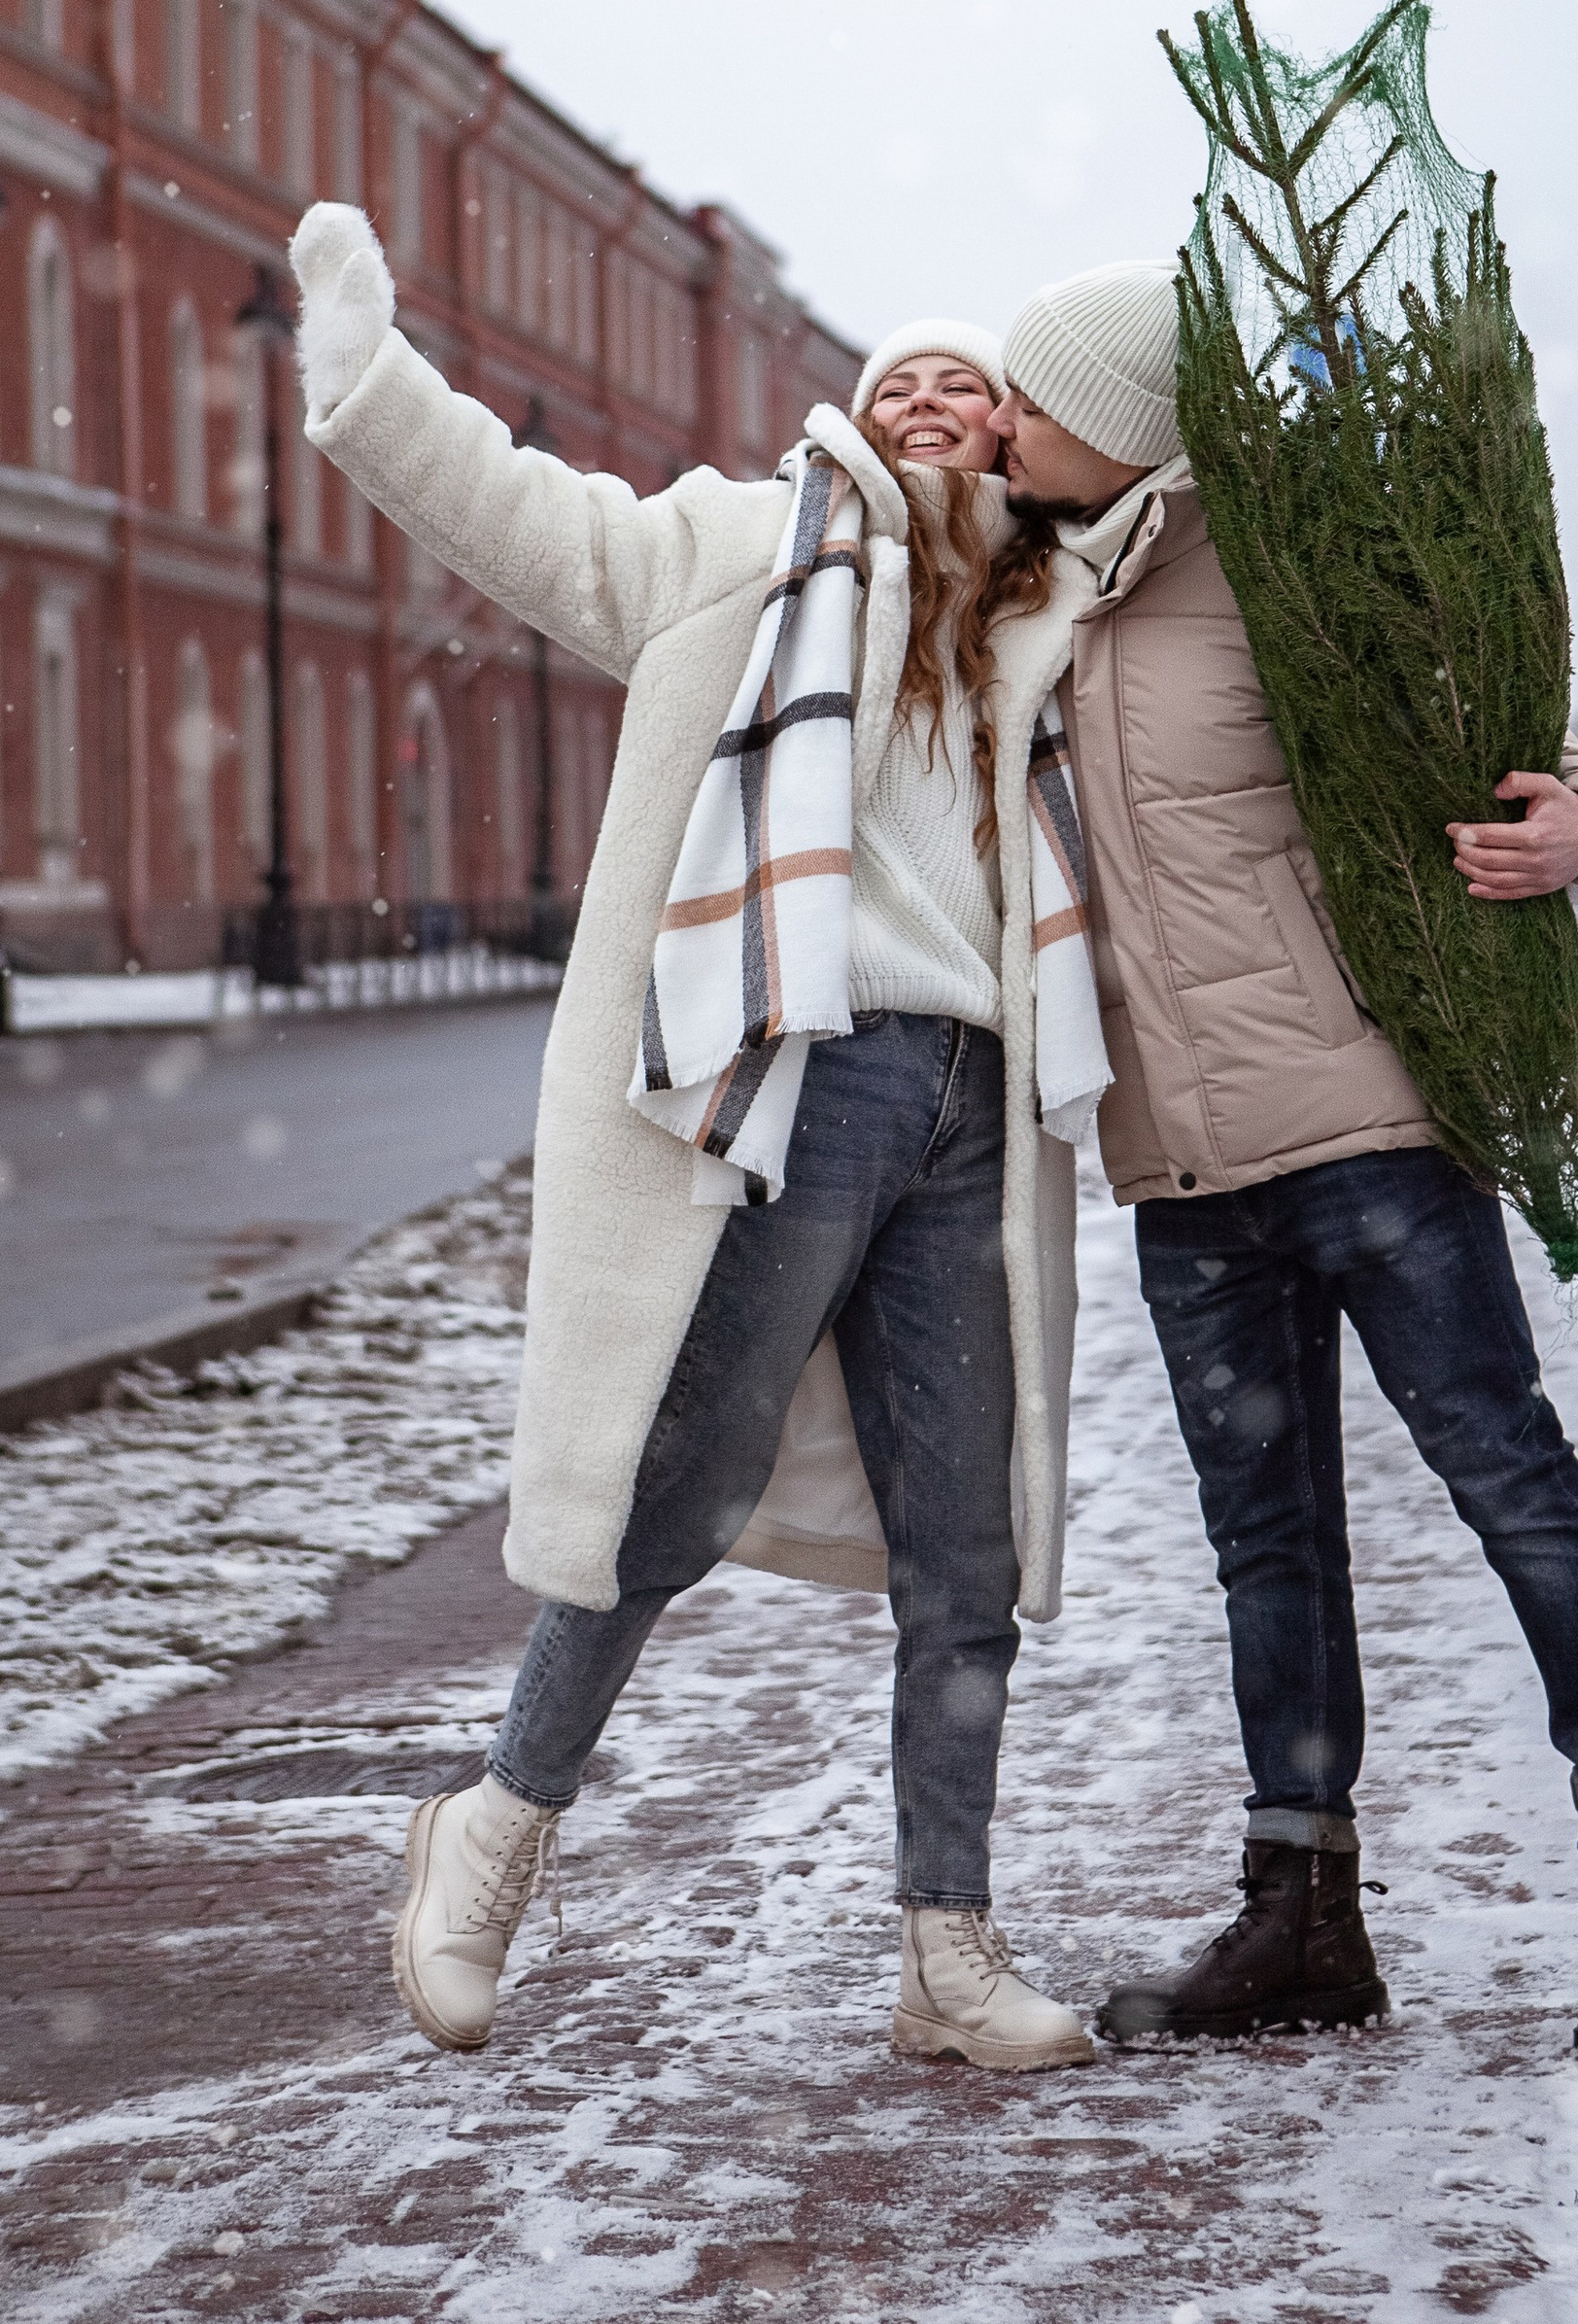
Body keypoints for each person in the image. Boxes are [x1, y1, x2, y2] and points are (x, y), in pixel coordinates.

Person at [286, 201, 1113, 2072]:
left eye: (965, 384)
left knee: (962, 1546)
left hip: (980, 1110)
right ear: (853, 415)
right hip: (793, 1083)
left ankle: (944, 1946)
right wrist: (361, 370)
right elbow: (523, 514)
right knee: (670, 1474)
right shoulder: (737, 547)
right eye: (896, 376)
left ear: (1012, 442)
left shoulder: (1062, 619)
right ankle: (493, 1833)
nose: (926, 395)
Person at [985, 260, 1578, 2064]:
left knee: (1511, 1480)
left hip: (1369, 1132)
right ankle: (1304, 1916)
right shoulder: (1029, 595)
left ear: (1122, 419)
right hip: (1181, 1169)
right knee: (1268, 1546)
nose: (1010, 425)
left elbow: (1493, 722)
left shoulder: (1290, 566)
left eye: (1036, 395)